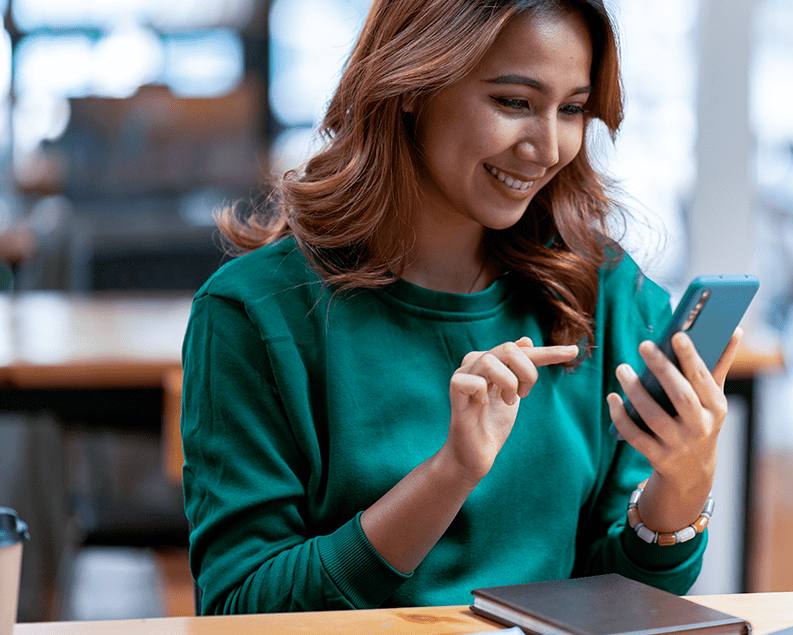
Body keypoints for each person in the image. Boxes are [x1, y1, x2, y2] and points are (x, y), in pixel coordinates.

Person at [181, 0, 743, 615]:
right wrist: (449, 474)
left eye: (572, 109)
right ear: (411, 87)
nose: (548, 148)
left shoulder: (604, 291)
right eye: (514, 101)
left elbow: (621, 594)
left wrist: (685, 482)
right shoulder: (253, 313)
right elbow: (243, 609)